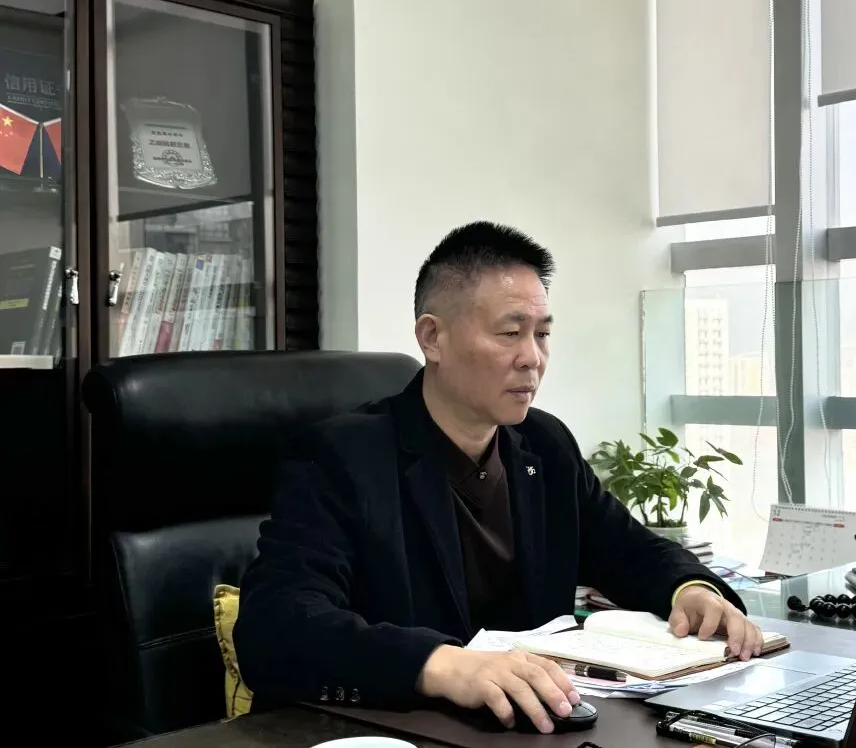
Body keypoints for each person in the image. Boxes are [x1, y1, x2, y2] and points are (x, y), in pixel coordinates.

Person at [233, 221, 763, 734]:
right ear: (433, 338)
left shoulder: (544, 444)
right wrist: (442, 665)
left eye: (542, 334)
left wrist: (690, 588)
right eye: (510, 333)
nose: (532, 358)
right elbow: (275, 627)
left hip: (535, 726)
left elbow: (629, 549)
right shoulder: (343, 457)